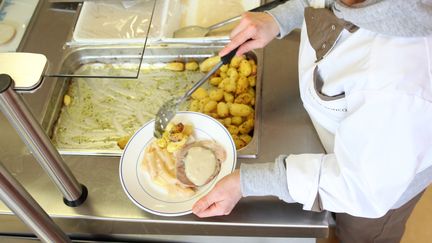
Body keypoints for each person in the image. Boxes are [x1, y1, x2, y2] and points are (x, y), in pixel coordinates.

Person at [192, 0, 432, 242]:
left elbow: (360, 189)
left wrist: (245, 183)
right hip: (338, 139)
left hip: (377, 188)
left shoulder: (399, 83)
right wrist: (278, 19)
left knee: (359, 235)